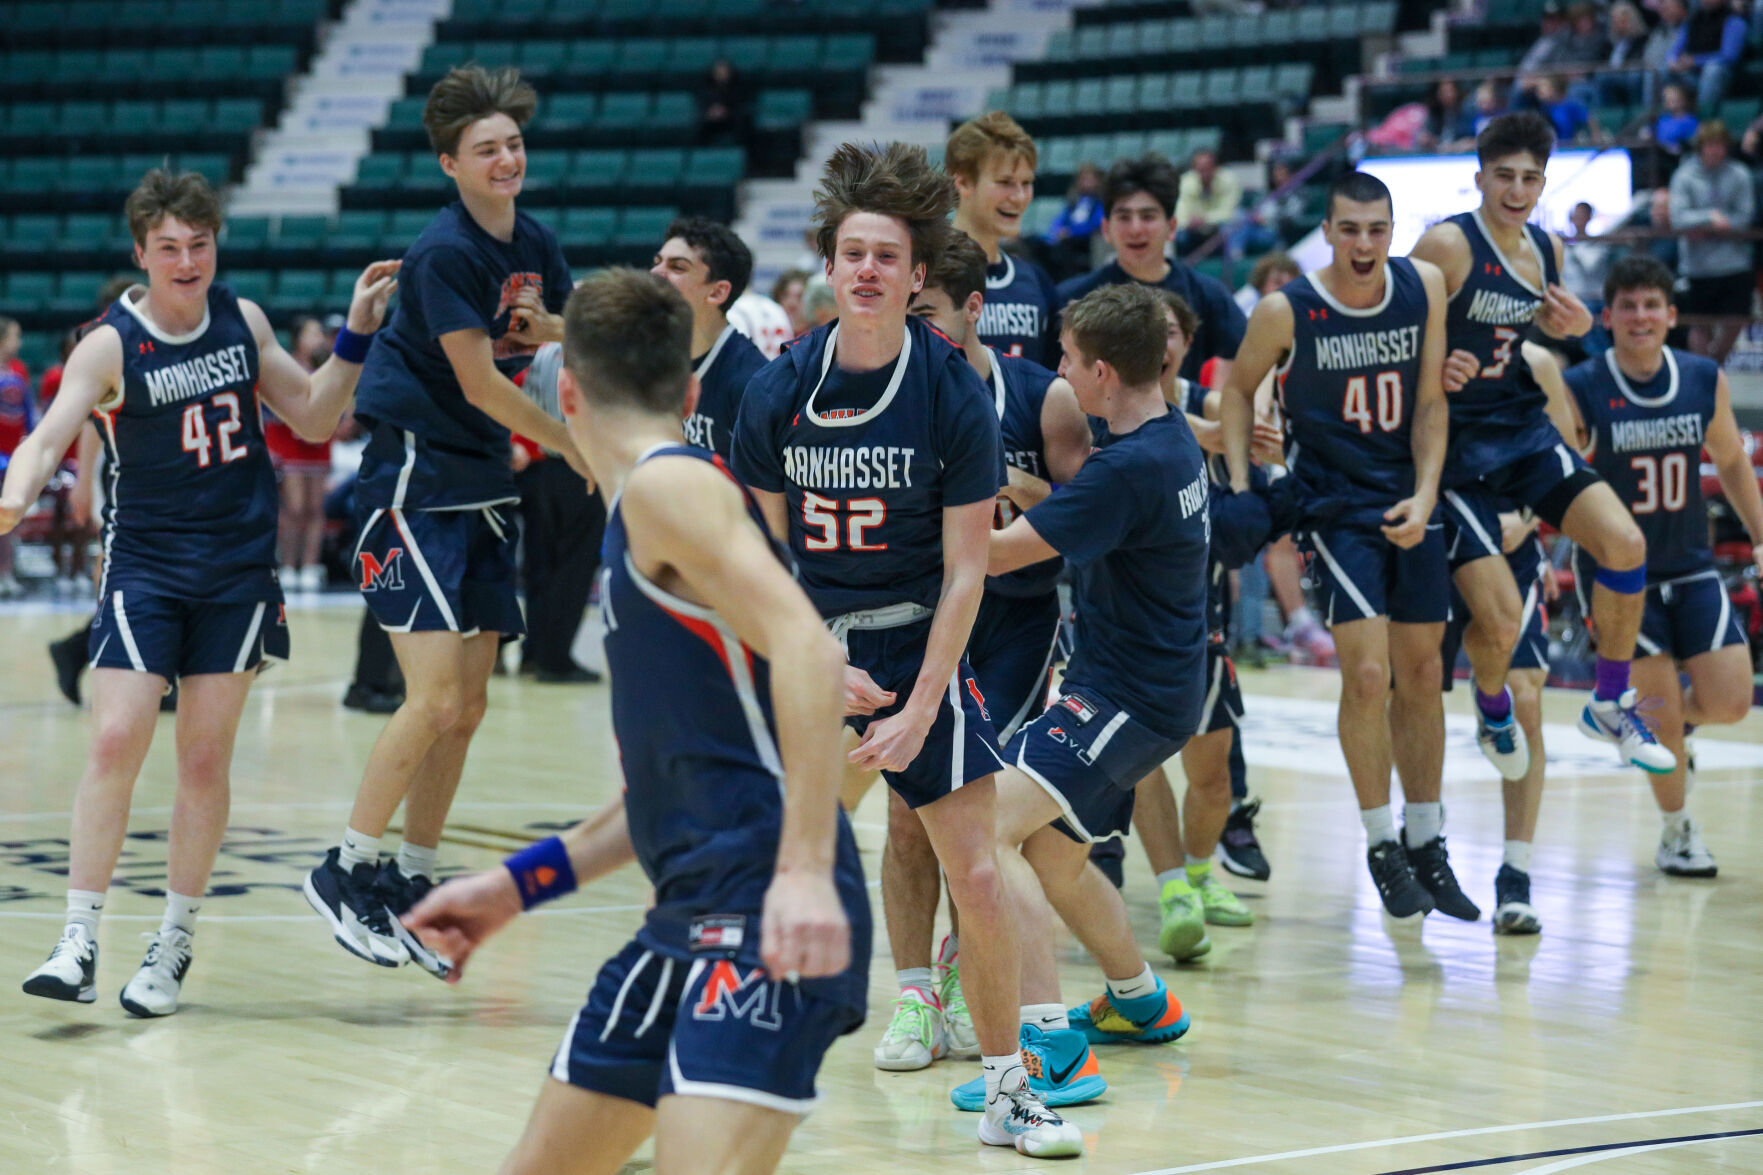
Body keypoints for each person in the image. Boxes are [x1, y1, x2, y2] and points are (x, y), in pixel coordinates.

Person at [403, 268, 870, 1175]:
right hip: (685, 912)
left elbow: (814, 652)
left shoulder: (668, 489)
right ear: (689, 388)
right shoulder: (644, 516)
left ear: (564, 390)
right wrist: (513, 886)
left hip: (762, 908)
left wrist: (806, 871)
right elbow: (659, 791)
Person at [730, 141, 1078, 1157]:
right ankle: (715, 1066)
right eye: (853, 253)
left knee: (974, 868)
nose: (870, 271)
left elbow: (969, 569)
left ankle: (1008, 1089)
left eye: (888, 254)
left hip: (919, 646)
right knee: (763, 858)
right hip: (811, 649)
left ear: (918, 271)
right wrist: (806, 659)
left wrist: (923, 703)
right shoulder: (780, 387)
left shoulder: (949, 392)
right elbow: (761, 554)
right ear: (827, 268)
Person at [4, 167, 396, 1016]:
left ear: (215, 244)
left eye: (200, 244)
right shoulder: (110, 344)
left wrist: (357, 334)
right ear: (141, 252)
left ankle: (174, 940)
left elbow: (317, 416)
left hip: (237, 569)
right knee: (115, 738)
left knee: (206, 758)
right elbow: (47, 436)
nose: (187, 261)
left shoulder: (242, 321)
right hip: (146, 566)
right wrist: (13, 494)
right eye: (169, 248)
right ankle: (78, 938)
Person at [303, 65, 587, 979]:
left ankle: (410, 880)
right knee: (427, 698)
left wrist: (555, 336)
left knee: (466, 708)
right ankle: (345, 867)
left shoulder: (535, 240)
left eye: (512, 143)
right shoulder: (444, 253)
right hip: (415, 483)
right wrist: (577, 448)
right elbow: (477, 382)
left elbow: (563, 334)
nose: (505, 158)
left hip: (484, 487)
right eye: (486, 149)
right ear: (449, 164)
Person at [954, 282, 1203, 1115]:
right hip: (1154, 689)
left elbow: (992, 557)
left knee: (987, 832)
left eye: (1064, 359)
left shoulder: (1126, 470)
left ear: (1099, 372)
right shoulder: (1164, 439)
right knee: (1056, 854)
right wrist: (1023, 486)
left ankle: (1048, 1048)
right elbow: (1084, 511)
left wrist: (923, 509)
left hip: (1122, 697)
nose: (1056, 372)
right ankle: (1137, 998)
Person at [1221, 171, 1475, 923]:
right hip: (1331, 505)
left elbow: (1430, 400)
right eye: (1349, 229)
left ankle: (1426, 837)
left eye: (1376, 229)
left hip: (1408, 494)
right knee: (1367, 673)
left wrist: (1427, 492)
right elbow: (1237, 390)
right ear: (1326, 232)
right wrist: (1242, 481)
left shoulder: (1422, 284)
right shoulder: (1284, 309)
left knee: (1423, 671)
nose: (1364, 243)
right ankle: (1377, 843)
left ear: (1391, 231)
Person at [869, 230, 1090, 1074]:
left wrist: (1014, 488)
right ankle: (916, 992)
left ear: (971, 309)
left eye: (922, 309)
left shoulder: (1043, 399)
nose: (909, 323)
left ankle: (972, 979)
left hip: (1011, 625)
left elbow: (1088, 511)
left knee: (968, 818)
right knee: (900, 816)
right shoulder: (886, 396)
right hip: (918, 621)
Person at [1409, 112, 1666, 789]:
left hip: (1519, 427)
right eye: (1503, 177)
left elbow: (1537, 333)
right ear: (1479, 178)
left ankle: (1609, 701)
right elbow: (1389, 331)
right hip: (1455, 448)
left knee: (1624, 544)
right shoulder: (1446, 244)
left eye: (1529, 178)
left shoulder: (1545, 251)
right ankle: (1491, 705)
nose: (1516, 190)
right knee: (1494, 627)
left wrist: (1580, 330)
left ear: (1542, 182)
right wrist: (1433, 366)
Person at [1557, 255, 1763, 876]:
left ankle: (1672, 727)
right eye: (1628, 307)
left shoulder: (1702, 377)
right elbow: (1556, 473)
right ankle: (1678, 830)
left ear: (1672, 316)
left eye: (1652, 306)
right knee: (1661, 714)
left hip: (1692, 563)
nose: (1641, 317)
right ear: (1608, 317)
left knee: (1729, 701)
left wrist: (1759, 535)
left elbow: (1729, 459)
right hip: (1620, 577)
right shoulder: (1584, 385)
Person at [1056, 154, 1246, 390]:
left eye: (1148, 217)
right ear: (1106, 229)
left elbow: (1250, 355)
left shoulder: (1208, 294)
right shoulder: (1072, 298)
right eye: (1124, 217)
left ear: (1172, 227)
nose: (1136, 229)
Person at [514, 345, 605, 683]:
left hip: (540, 466)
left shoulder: (540, 350)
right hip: (579, 466)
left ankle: (533, 653)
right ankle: (555, 659)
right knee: (574, 567)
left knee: (542, 566)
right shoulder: (594, 350)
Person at [947, 111, 1061, 365]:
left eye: (1027, 182)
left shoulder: (1037, 283)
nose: (1019, 196)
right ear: (964, 182)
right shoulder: (921, 278)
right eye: (1005, 182)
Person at [651, 216, 769, 462]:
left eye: (677, 267)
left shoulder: (752, 383)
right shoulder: (654, 357)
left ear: (717, 292)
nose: (655, 273)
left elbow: (766, 495)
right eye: (658, 262)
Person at [1669, 120, 1754, 363]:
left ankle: (1713, 366)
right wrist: (1710, 218)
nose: (1716, 150)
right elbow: (1678, 219)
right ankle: (1706, 371)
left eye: (1720, 145)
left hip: (1734, 263)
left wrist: (1707, 227)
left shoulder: (1739, 174)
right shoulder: (1684, 176)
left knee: (1737, 319)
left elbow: (1744, 218)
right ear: (1700, 147)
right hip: (1697, 266)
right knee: (1699, 324)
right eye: (1710, 145)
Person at [266, 315, 337, 593]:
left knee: (315, 508)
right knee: (293, 508)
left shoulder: (328, 366)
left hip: (319, 444)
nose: (317, 338)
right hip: (289, 443)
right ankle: (287, 565)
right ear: (297, 339)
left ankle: (309, 565)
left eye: (319, 333)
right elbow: (272, 405)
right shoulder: (285, 365)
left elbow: (339, 404)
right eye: (311, 333)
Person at [0, 317, 37, 599]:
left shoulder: (19, 370)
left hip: (12, 457)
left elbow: (28, 413)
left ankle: (6, 574)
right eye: (16, 336)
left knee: (8, 521)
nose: (20, 342)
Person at [1665, 0, 1748, 116]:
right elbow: (1674, 50)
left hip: (1724, 74)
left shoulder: (1734, 21)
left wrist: (1695, 61)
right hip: (1691, 74)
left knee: (1713, 70)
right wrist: (1673, 61)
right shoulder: (1692, 20)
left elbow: (1729, 56)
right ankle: (1656, 118)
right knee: (1663, 69)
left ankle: (1704, 117)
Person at [1042, 163, 1104, 282]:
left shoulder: (1099, 202)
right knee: (1039, 245)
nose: (1086, 183)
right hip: (1067, 238)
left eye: (1090, 179)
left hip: (1085, 240)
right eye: (1084, 179)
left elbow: (1096, 224)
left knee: (1065, 246)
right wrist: (1054, 234)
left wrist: (1071, 232)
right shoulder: (1073, 201)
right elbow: (1060, 220)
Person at [1174, 148, 1240, 255]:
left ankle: (1234, 261)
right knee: (1179, 235)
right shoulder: (1184, 183)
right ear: (1193, 169)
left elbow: (1229, 213)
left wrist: (1204, 219)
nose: (1203, 171)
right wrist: (1189, 222)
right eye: (1200, 167)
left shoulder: (1229, 180)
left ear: (1215, 168)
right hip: (1193, 231)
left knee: (1235, 221)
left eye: (1207, 167)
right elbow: (1180, 217)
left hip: (1218, 228)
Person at [1654, 81, 1700, 154]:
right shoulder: (1663, 119)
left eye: (1673, 99)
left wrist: (1680, 146)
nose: (1668, 102)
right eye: (1666, 99)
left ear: (1683, 100)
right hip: (1657, 152)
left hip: (1678, 155)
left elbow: (1692, 141)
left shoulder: (1690, 121)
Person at [772, 268, 811, 339]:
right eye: (785, 295)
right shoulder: (770, 334)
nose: (791, 303)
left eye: (800, 296)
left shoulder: (818, 337)